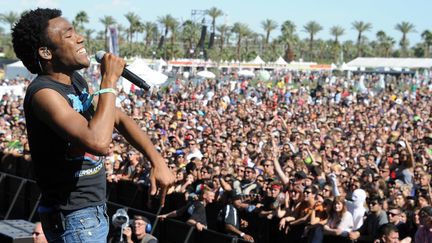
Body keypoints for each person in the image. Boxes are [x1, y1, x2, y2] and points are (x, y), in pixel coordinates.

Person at [11, 8, 174, 242]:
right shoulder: (44, 94)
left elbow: (116, 117)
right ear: (46, 52)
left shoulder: (75, 81)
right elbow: (97, 142)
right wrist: (108, 80)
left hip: (89, 211)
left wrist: (157, 160)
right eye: (68, 35)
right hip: (74, 216)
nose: (81, 38)